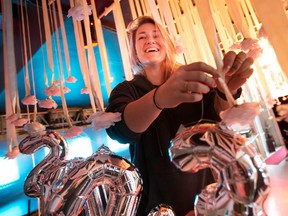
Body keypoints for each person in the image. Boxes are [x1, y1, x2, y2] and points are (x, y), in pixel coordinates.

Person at [105, 16, 254, 216]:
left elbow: (217, 116)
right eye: (142, 37)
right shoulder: (127, 90)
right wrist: (158, 98)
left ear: (166, 44)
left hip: (205, 198)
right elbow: (121, 130)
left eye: (156, 35)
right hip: (156, 204)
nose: (150, 40)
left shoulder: (189, 79)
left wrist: (225, 90)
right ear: (134, 51)